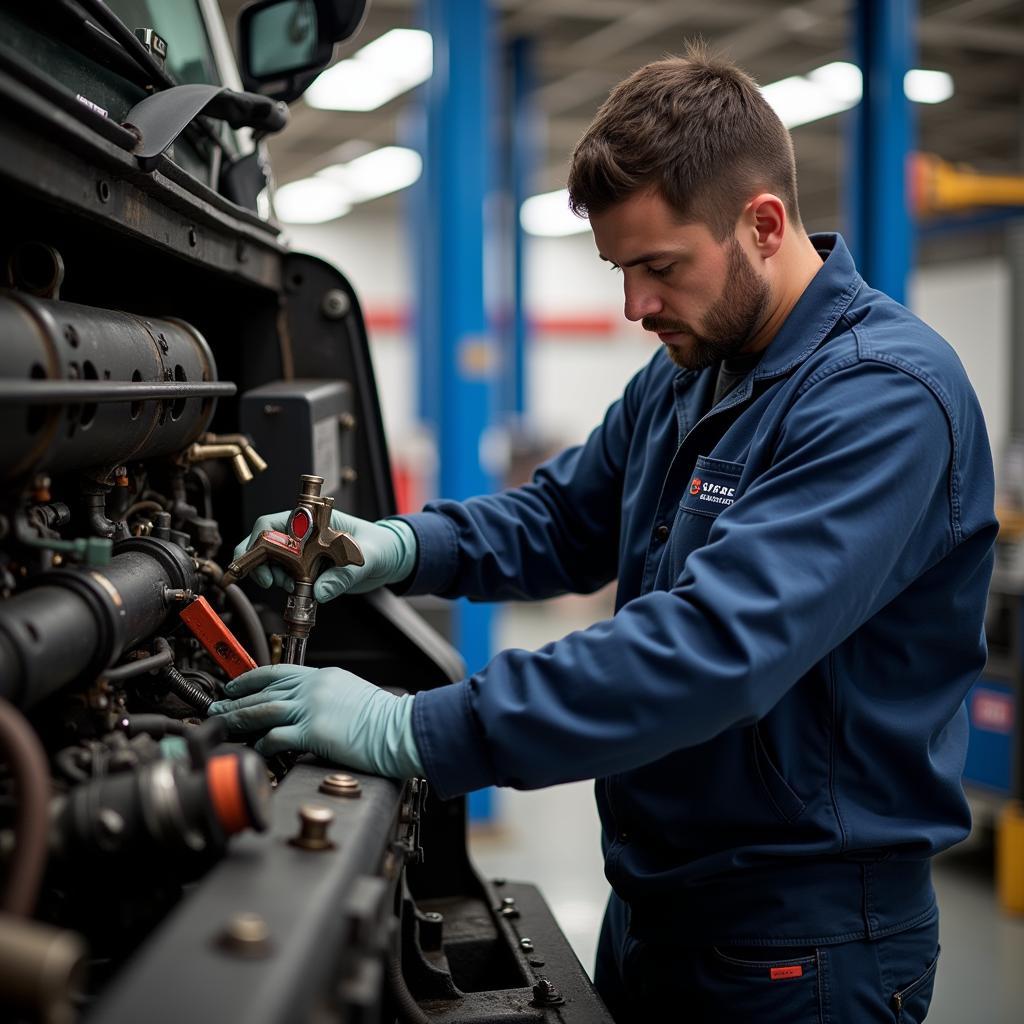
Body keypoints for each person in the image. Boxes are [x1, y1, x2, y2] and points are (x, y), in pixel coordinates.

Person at [210, 44, 997, 1023]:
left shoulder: (883, 397)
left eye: (658, 267)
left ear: (761, 224)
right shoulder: (689, 373)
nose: (634, 306)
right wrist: (402, 545)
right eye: (619, 270)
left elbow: (713, 648)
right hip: (656, 903)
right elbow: (562, 519)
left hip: (803, 943)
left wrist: (410, 729)